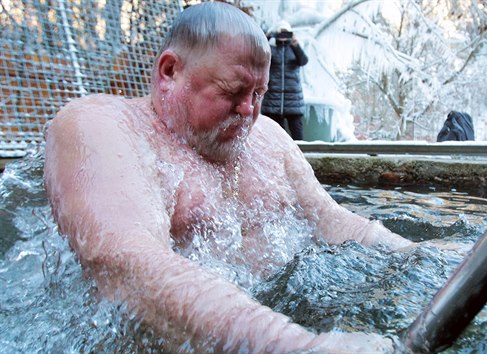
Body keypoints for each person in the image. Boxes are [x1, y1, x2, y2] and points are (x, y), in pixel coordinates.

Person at [43, 3, 413, 352]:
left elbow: (332, 220)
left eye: (258, 93)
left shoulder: (267, 136)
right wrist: (294, 345)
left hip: (279, 312)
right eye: (232, 92)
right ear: (170, 72)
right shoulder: (103, 127)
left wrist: (418, 256)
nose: (249, 110)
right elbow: (124, 262)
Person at [260, 20, 309, 140]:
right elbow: (258, 55)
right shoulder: (270, 50)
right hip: (273, 100)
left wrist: (295, 44)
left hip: (293, 100)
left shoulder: (294, 49)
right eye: (280, 33)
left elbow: (303, 61)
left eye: (286, 33)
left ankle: (299, 158)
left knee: (298, 137)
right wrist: (267, 37)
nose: (283, 37)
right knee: (275, 139)